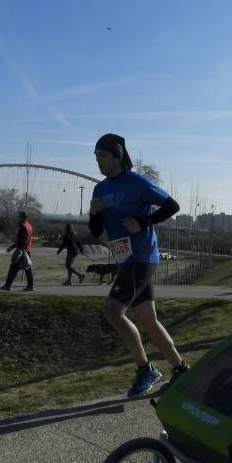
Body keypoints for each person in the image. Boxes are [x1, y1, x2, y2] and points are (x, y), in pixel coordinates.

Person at [89, 133, 188, 397]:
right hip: (125, 259)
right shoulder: (99, 189)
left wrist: (144, 222)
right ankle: (181, 369)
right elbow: (95, 229)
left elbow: (172, 205)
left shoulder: (136, 182)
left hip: (143, 257)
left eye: (103, 155)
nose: (98, 161)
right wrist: (94, 213)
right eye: (96, 156)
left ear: (117, 155)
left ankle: (146, 369)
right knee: (148, 320)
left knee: (112, 310)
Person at [0, 211, 34, 291]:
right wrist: (12, 247)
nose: (17, 218)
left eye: (18, 217)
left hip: (22, 251)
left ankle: (8, 285)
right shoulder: (29, 226)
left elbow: (21, 240)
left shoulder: (23, 226)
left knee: (13, 268)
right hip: (27, 250)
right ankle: (30, 286)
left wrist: (15, 248)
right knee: (27, 268)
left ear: (22, 217)